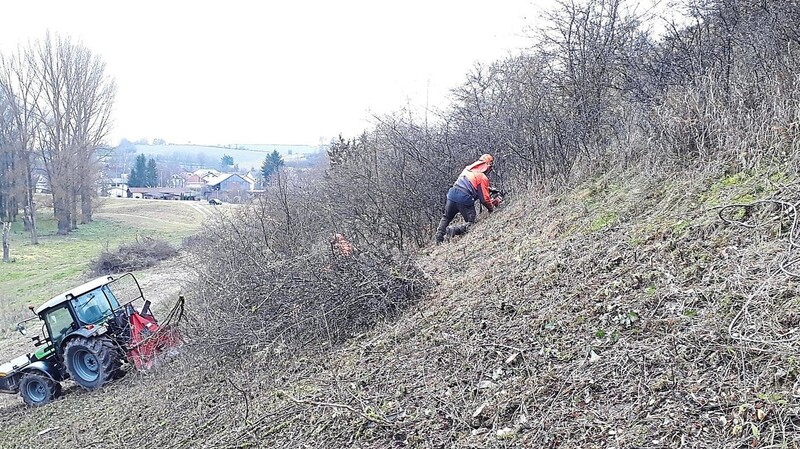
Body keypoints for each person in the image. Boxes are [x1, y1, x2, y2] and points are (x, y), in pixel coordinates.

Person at [434, 154, 501, 244]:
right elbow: (484, 199)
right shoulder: (482, 177)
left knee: (446, 216)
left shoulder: (467, 170)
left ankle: (439, 237)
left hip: (452, 194)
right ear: (488, 166)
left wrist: (489, 189)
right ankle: (453, 230)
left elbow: (471, 184)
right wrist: (491, 208)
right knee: (471, 223)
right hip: (464, 198)